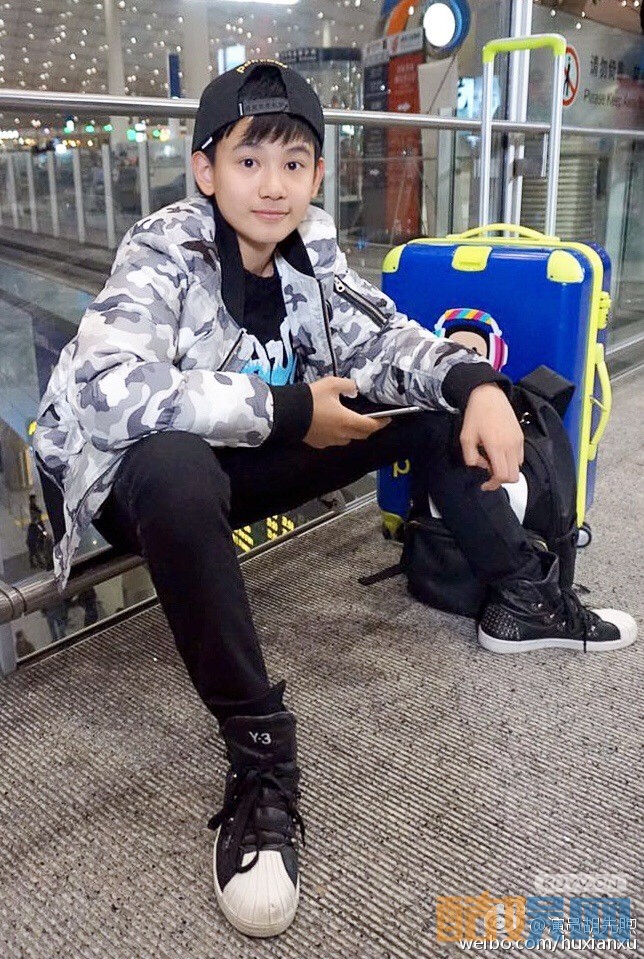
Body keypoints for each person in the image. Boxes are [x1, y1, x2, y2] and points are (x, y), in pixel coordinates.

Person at [32, 61, 637, 939]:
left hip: (248, 454)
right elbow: (108, 391)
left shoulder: (311, 247)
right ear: (206, 170)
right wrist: (289, 412)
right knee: (174, 466)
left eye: (293, 163)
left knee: (426, 405)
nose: (272, 186)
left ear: (317, 174)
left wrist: (475, 383)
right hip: (137, 482)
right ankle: (259, 750)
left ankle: (520, 597)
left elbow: (384, 338)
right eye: (248, 161)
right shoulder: (164, 247)